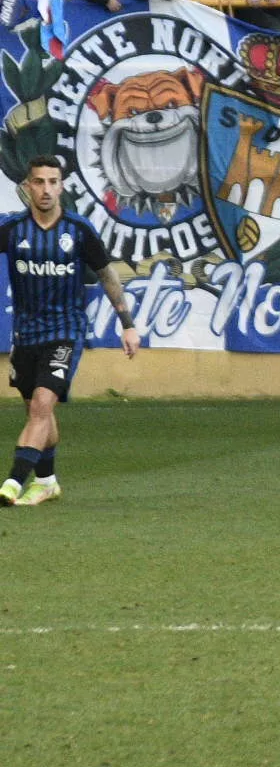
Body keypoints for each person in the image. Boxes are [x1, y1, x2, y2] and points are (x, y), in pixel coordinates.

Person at [1, 157, 142, 506]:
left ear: (62, 186)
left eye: (52, 182)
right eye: (39, 182)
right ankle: (47, 481)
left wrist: (128, 325)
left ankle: (13, 482)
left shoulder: (78, 230)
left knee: (42, 404)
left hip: (66, 331)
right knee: (39, 411)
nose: (46, 189)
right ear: (27, 187)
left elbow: (107, 275)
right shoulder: (12, 229)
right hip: (26, 334)